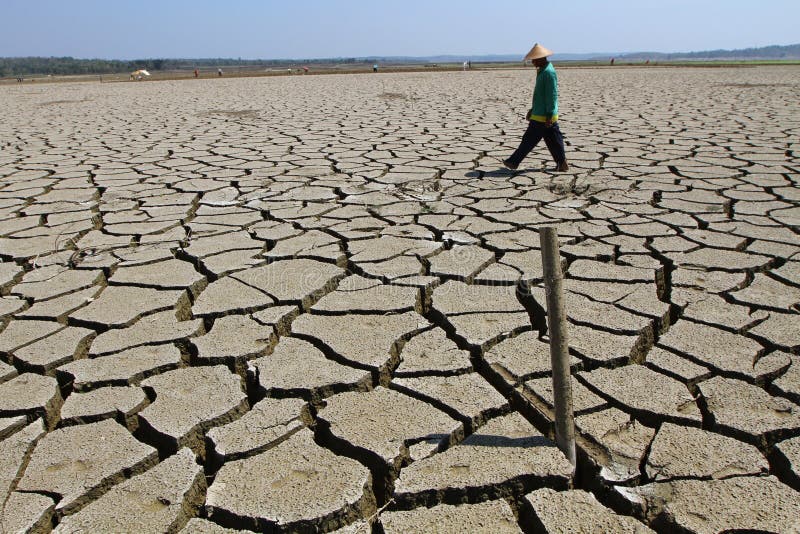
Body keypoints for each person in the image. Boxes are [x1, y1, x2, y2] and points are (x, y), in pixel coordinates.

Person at [503, 43, 569, 172]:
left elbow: (551, 95)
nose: (532, 62)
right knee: (553, 140)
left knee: (529, 140)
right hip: (540, 113)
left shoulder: (548, 73)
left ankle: (513, 162)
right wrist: (532, 110)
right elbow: (540, 96)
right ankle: (562, 163)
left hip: (544, 116)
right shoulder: (543, 71)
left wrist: (549, 114)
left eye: (534, 59)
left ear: (541, 58)